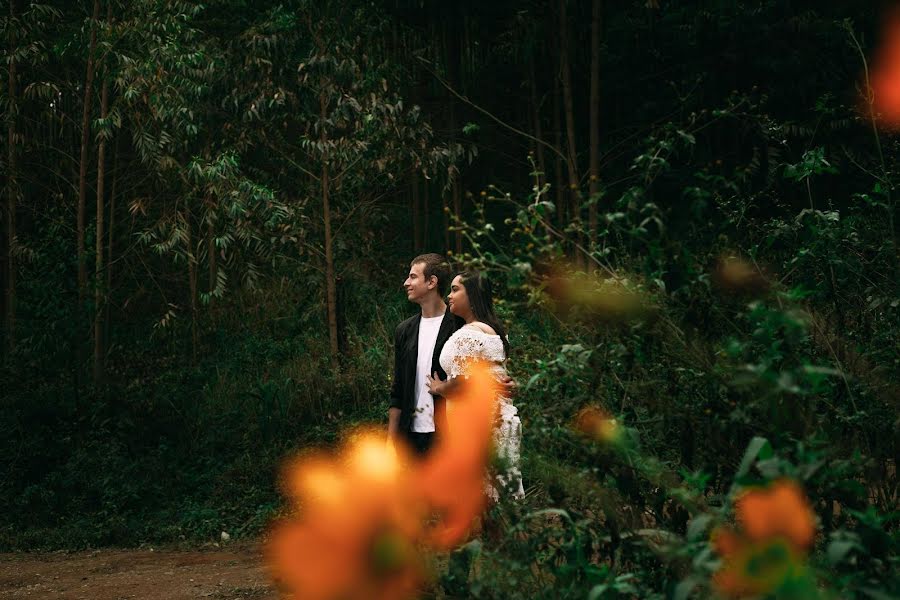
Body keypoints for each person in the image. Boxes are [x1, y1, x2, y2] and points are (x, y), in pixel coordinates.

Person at [426, 270, 525, 500]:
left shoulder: (468, 336)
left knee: (480, 495)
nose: (449, 296)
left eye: (455, 289)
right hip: (501, 418)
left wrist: (438, 387)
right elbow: (496, 376)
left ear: (472, 295)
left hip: (477, 422)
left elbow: (462, 384)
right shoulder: (496, 332)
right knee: (500, 489)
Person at [387, 253, 462, 457]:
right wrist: (391, 439)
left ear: (431, 282)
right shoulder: (404, 330)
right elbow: (398, 389)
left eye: (412, 277)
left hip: (448, 435)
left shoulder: (459, 326)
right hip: (409, 436)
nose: (406, 283)